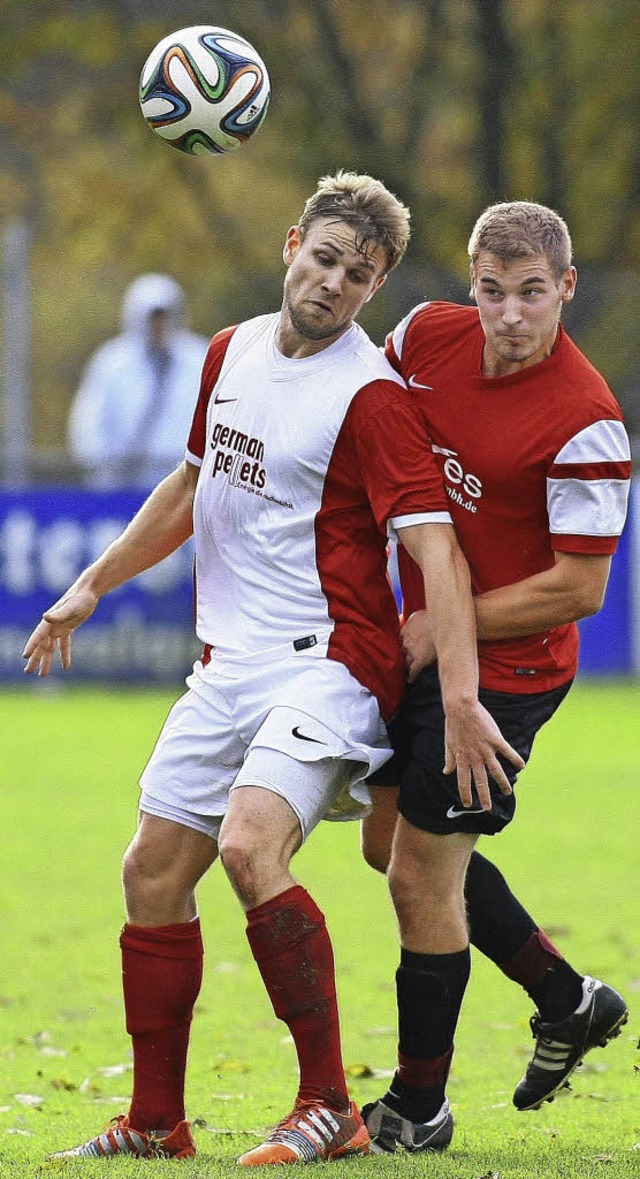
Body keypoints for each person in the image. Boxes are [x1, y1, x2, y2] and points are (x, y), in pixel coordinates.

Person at [23, 172, 521, 1165]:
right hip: (227, 665)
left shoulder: (371, 397)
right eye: (324, 258)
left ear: (374, 288)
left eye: (358, 273)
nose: (333, 282)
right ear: (293, 243)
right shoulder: (228, 351)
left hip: (329, 665)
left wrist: (458, 697)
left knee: (252, 848)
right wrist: (94, 583)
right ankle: (158, 1123)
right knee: (151, 875)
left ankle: (328, 1106)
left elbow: (435, 553)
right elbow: (191, 478)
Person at [361, 200, 631, 1154]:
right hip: (427, 645)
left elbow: (580, 588)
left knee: (419, 877)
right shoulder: (424, 337)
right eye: (491, 291)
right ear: (467, 284)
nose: (510, 315)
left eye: (531, 294)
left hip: (511, 669)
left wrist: (444, 620)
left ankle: (417, 1110)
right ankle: (568, 999)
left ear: (564, 286)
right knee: (388, 851)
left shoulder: (588, 421)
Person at [68, 273, 209, 487]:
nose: (158, 325)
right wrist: (102, 478)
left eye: (164, 317)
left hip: (186, 487)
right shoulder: (112, 362)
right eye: (153, 318)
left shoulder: (200, 357)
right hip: (124, 485)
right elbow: (89, 423)